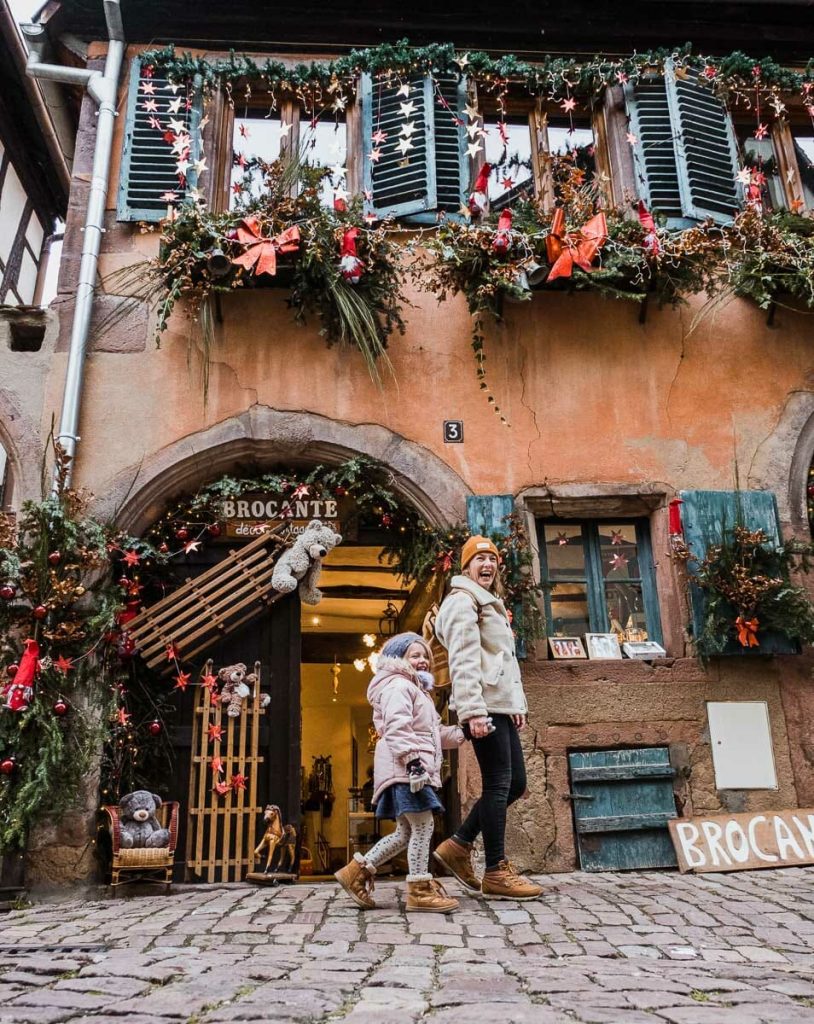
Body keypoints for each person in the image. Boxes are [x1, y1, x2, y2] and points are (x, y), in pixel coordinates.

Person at [432, 535, 543, 900]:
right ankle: (495, 869)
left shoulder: (488, 602)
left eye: (492, 559)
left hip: (497, 705)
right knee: (499, 783)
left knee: (515, 783)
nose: (487, 564)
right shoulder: (463, 602)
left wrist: (517, 704)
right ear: (466, 566)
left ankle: (459, 843)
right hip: (481, 706)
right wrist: (473, 711)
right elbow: (463, 659)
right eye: (479, 558)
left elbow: (501, 660)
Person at [334, 633, 465, 914]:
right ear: (397, 659)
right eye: (414, 655)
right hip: (407, 770)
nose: (422, 661)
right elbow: (397, 726)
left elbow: (432, 734)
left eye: (425, 656)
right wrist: (413, 762)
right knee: (423, 827)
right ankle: (419, 890)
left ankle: (355, 873)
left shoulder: (417, 691)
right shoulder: (398, 686)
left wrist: (462, 734)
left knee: (405, 832)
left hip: (408, 768)